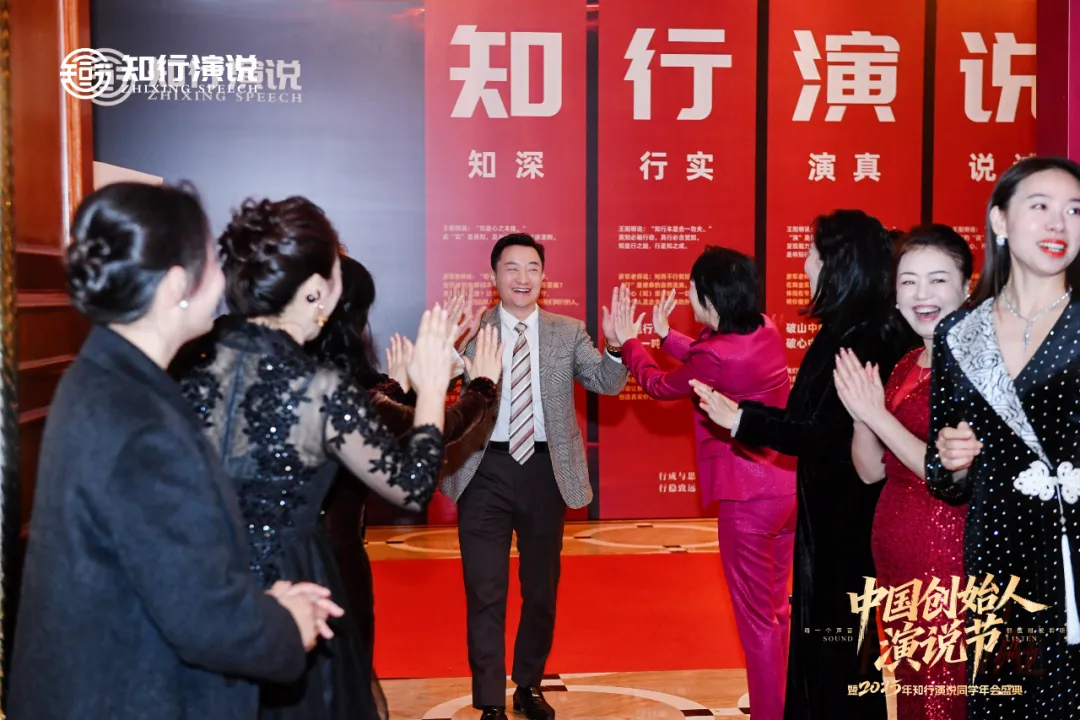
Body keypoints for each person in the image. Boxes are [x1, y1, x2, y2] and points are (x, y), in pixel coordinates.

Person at [9, 182, 341, 719]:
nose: (224, 280)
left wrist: (261, 605)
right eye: (212, 261)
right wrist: (287, 625)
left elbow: (161, 570)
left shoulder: (102, 376)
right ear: (176, 286)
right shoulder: (141, 423)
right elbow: (203, 618)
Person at [173, 196, 465, 720]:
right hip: (298, 587)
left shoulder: (193, 370)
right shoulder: (319, 388)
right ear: (313, 289)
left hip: (205, 588)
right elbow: (412, 486)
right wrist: (431, 391)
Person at [691, 210, 910, 719]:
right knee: (832, 643)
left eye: (812, 254)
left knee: (840, 647)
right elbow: (807, 421)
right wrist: (744, 418)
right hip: (829, 513)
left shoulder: (860, 338)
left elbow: (820, 434)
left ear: (839, 264)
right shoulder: (846, 328)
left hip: (847, 517)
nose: (805, 264)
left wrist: (741, 420)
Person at [442, 233, 630, 720]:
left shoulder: (568, 332)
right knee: (484, 590)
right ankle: (489, 702)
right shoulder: (474, 328)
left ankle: (528, 685)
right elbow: (439, 384)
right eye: (512, 268)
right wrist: (448, 346)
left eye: (532, 268)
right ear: (494, 276)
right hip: (483, 469)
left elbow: (606, 382)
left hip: (546, 471)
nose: (522, 278)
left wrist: (616, 347)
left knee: (541, 590)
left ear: (544, 277)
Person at [611, 247, 797, 720]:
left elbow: (660, 384)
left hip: (746, 497)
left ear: (710, 299)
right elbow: (707, 360)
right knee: (777, 611)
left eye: (692, 289)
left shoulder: (715, 354)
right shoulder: (765, 330)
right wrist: (665, 336)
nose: (687, 295)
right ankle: (785, 704)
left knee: (756, 621)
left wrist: (631, 343)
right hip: (786, 489)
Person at [928, 157, 1080, 717]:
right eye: (1040, 206)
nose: (1059, 224)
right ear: (1000, 221)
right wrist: (954, 459)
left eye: (1075, 211)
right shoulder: (959, 333)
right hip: (1000, 558)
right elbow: (943, 475)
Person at [309, 252, 499, 656]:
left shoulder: (282, 375)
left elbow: (377, 422)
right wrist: (481, 388)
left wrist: (401, 385)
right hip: (331, 565)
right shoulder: (336, 394)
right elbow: (426, 438)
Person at [834, 225, 973, 719]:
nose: (921, 294)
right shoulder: (906, 364)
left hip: (945, 555)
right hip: (896, 554)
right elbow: (870, 471)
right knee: (914, 688)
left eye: (938, 280)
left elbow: (948, 475)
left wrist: (878, 415)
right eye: (909, 282)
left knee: (941, 692)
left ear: (967, 288)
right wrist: (861, 414)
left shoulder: (975, 370)